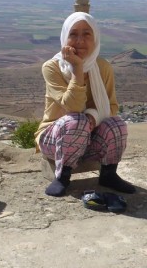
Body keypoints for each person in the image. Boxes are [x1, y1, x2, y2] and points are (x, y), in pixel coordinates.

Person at [35, 12, 135, 197]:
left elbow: (111, 107)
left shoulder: (102, 67)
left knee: (117, 124)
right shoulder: (52, 67)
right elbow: (72, 107)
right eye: (73, 34)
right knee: (76, 120)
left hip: (88, 138)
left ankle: (109, 174)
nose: (79, 40)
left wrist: (92, 118)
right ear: (65, 36)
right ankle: (62, 177)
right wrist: (77, 69)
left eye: (86, 34)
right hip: (54, 138)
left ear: (95, 38)